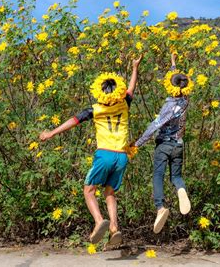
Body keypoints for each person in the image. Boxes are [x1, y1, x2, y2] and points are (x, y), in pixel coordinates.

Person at [39, 55, 143, 246]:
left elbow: (73, 121)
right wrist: (135, 68)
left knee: (89, 191)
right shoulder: (124, 104)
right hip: (122, 156)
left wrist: (51, 133)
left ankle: (98, 222)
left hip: (104, 154)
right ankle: (114, 228)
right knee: (110, 193)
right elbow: (131, 88)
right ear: (117, 91)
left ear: (100, 92)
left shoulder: (94, 109)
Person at [133, 53, 193, 234]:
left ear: (170, 87)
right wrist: (173, 64)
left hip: (164, 145)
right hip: (179, 145)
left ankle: (160, 207)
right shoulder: (185, 100)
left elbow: (155, 126)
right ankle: (181, 189)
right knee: (176, 177)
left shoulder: (169, 107)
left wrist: (137, 143)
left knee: (158, 175)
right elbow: (178, 80)